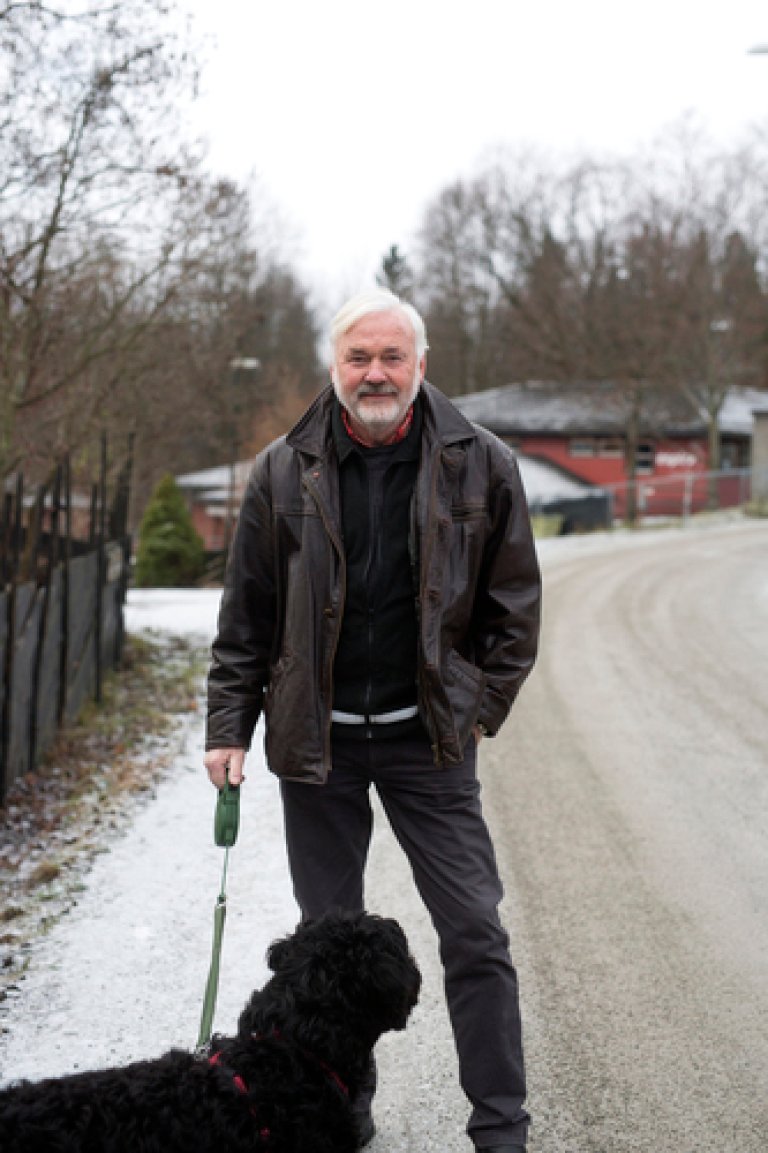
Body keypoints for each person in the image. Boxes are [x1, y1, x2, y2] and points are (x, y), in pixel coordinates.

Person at [204, 288, 542, 1153]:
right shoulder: (282, 470)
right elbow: (247, 613)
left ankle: (500, 1126)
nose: (375, 373)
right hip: (317, 751)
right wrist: (228, 724)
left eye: (392, 356)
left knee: (475, 930)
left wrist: (474, 709)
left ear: (421, 364)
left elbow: (515, 611)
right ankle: (341, 1115)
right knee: (324, 952)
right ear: (335, 366)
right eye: (359, 358)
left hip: (428, 743)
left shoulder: (484, 462)